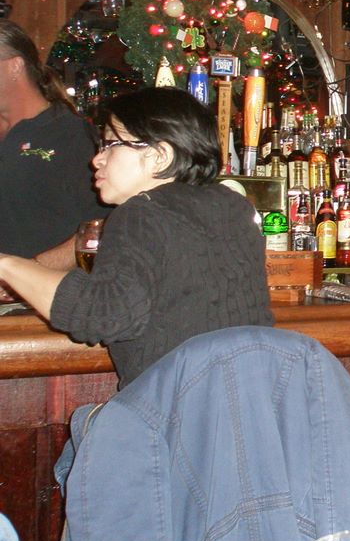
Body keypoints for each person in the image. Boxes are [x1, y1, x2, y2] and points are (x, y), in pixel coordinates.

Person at [0, 87, 274, 388]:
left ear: (159, 156)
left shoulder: (142, 212)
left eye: (110, 145)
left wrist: (8, 265)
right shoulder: (233, 206)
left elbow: (104, 315)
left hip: (174, 408)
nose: (96, 160)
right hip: (250, 403)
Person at [0, 19, 110, 281]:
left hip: (40, 297)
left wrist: (26, 274)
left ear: (14, 66)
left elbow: (103, 226)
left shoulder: (70, 135)